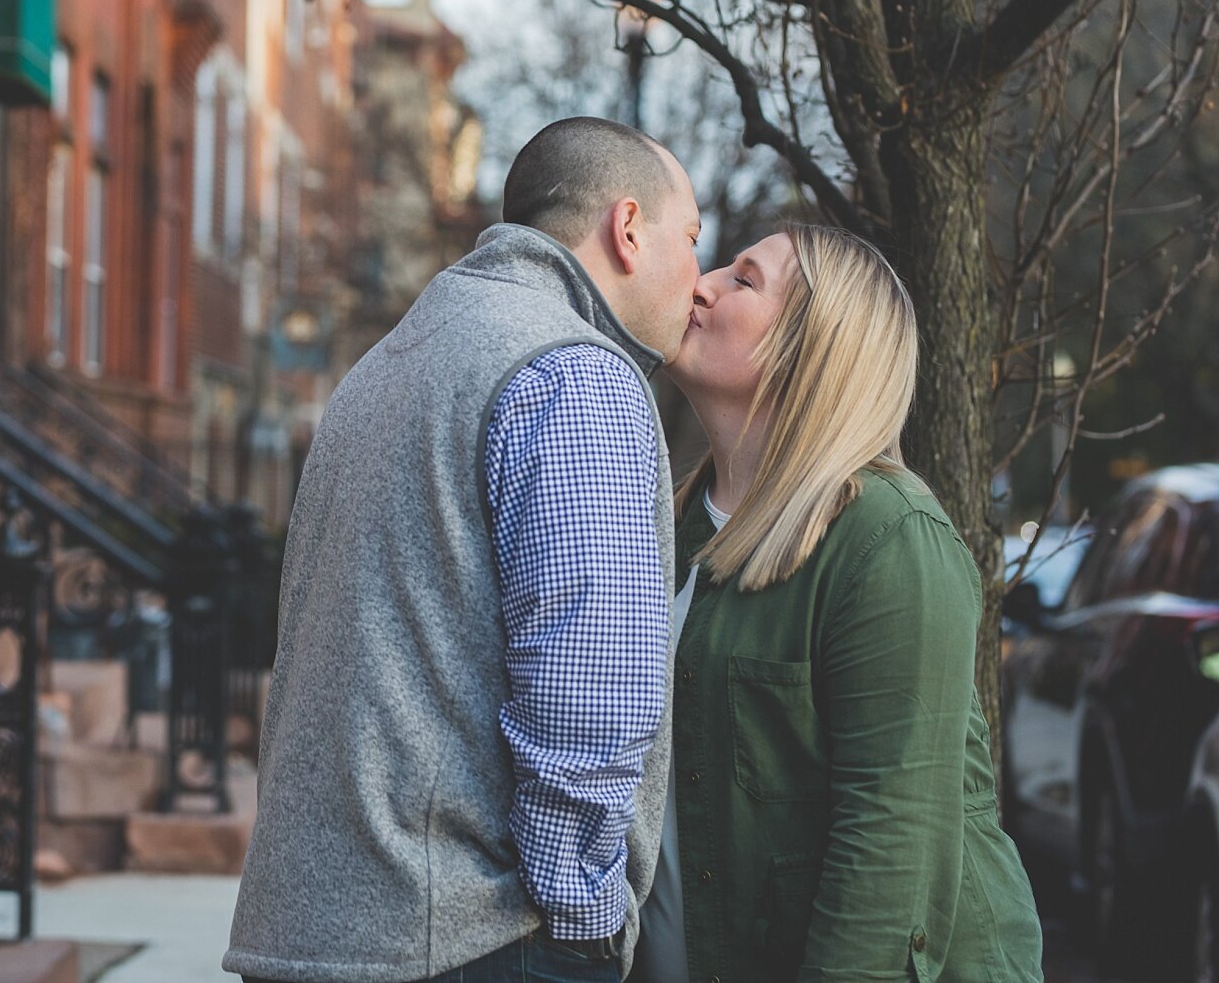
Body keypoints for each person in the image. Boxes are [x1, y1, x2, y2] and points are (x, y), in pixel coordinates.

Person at [226, 117, 703, 983]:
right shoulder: (576, 374)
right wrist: (586, 927)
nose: (698, 280)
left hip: (311, 929)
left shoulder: (387, 362)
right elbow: (587, 687)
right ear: (628, 229)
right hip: (468, 937)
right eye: (694, 239)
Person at [632, 223, 1044, 982]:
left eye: (744, 279)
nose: (702, 283)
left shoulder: (887, 539)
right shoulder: (668, 525)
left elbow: (889, 852)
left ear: (811, 347)